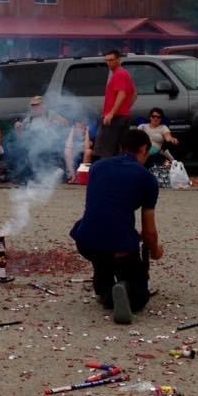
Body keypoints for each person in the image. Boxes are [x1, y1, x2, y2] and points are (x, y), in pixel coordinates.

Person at [70, 128, 163, 324]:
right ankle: (126, 291)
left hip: (87, 240)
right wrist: (155, 251)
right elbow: (149, 232)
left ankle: (105, 289)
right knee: (139, 295)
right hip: (119, 245)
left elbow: (103, 207)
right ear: (144, 148)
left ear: (122, 148)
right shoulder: (147, 178)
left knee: (103, 258)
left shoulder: (98, 167)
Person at [95, 50, 136, 159]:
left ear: (118, 60)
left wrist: (111, 114)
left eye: (111, 60)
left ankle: (106, 174)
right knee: (118, 151)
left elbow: (122, 94)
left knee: (105, 151)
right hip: (122, 116)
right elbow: (134, 94)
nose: (109, 63)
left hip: (115, 118)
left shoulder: (119, 74)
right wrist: (125, 109)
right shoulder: (125, 73)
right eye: (107, 60)